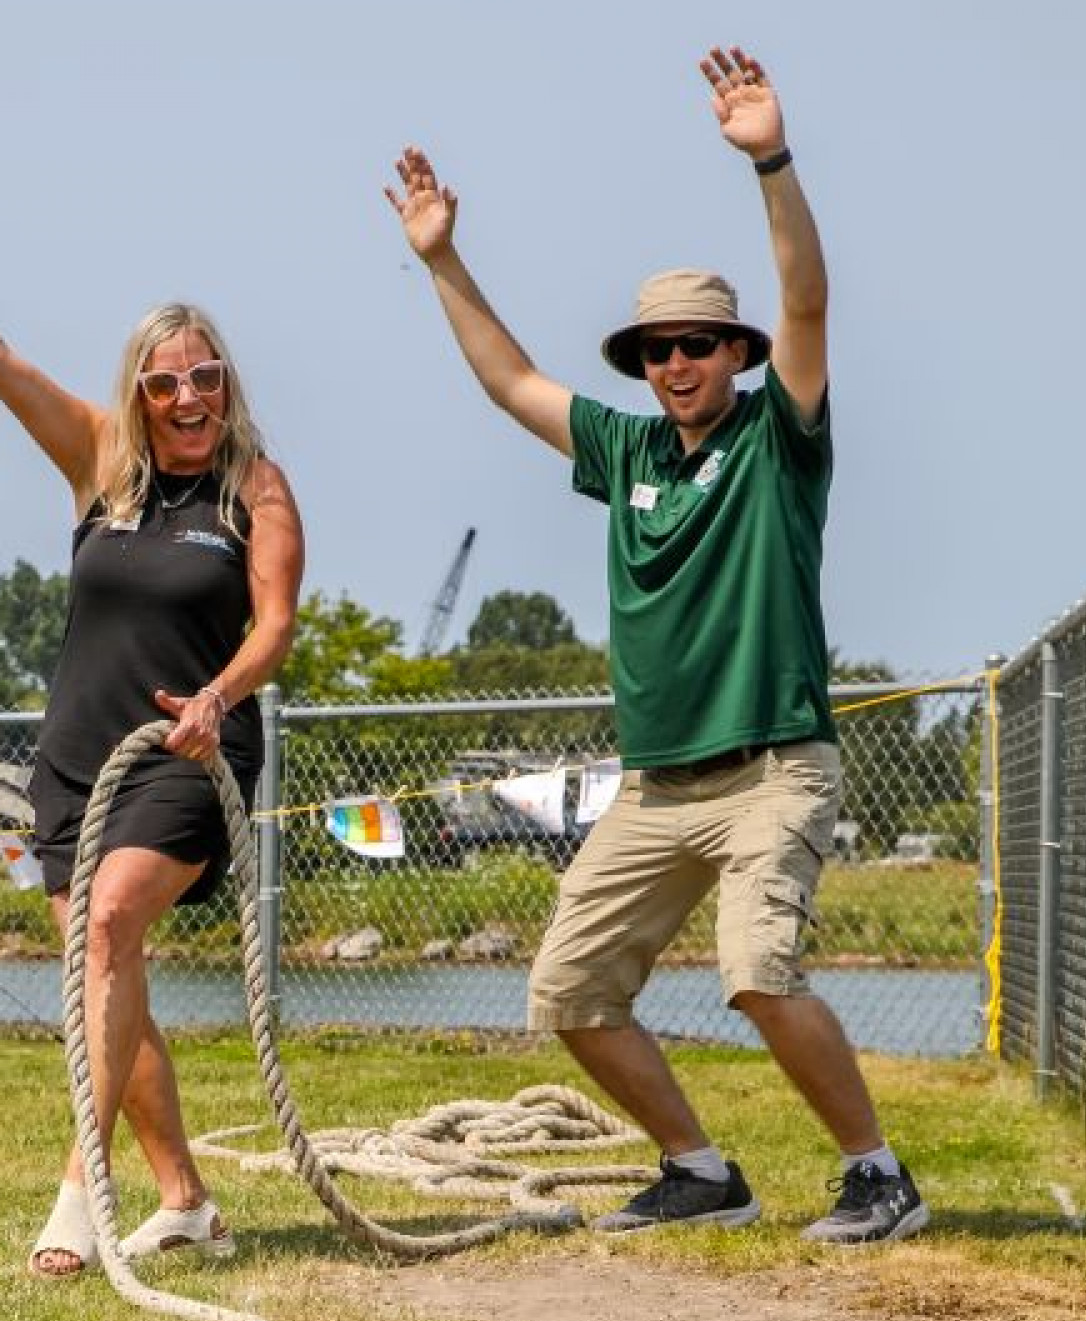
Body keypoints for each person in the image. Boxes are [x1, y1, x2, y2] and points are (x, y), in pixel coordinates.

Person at [387, 47, 928, 1244]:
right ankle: (698, 1170)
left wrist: (770, 160)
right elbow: (507, 381)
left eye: (696, 344)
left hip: (772, 767)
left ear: (733, 353)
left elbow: (805, 303)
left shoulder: (779, 440)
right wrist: (440, 258)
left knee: (755, 975)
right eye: (656, 351)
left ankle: (878, 1175)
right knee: (569, 995)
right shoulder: (628, 452)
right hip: (653, 785)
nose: (675, 364)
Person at [0, 164, 304, 1276]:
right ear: (136, 392)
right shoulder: (99, 467)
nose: (187, 400)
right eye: (165, 383)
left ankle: (81, 1189)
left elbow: (272, 626)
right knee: (102, 970)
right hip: (74, 763)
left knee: (107, 929)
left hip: (193, 749)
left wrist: (221, 695)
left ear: (227, 384)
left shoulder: (256, 490)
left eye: (206, 379)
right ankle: (183, 1197)